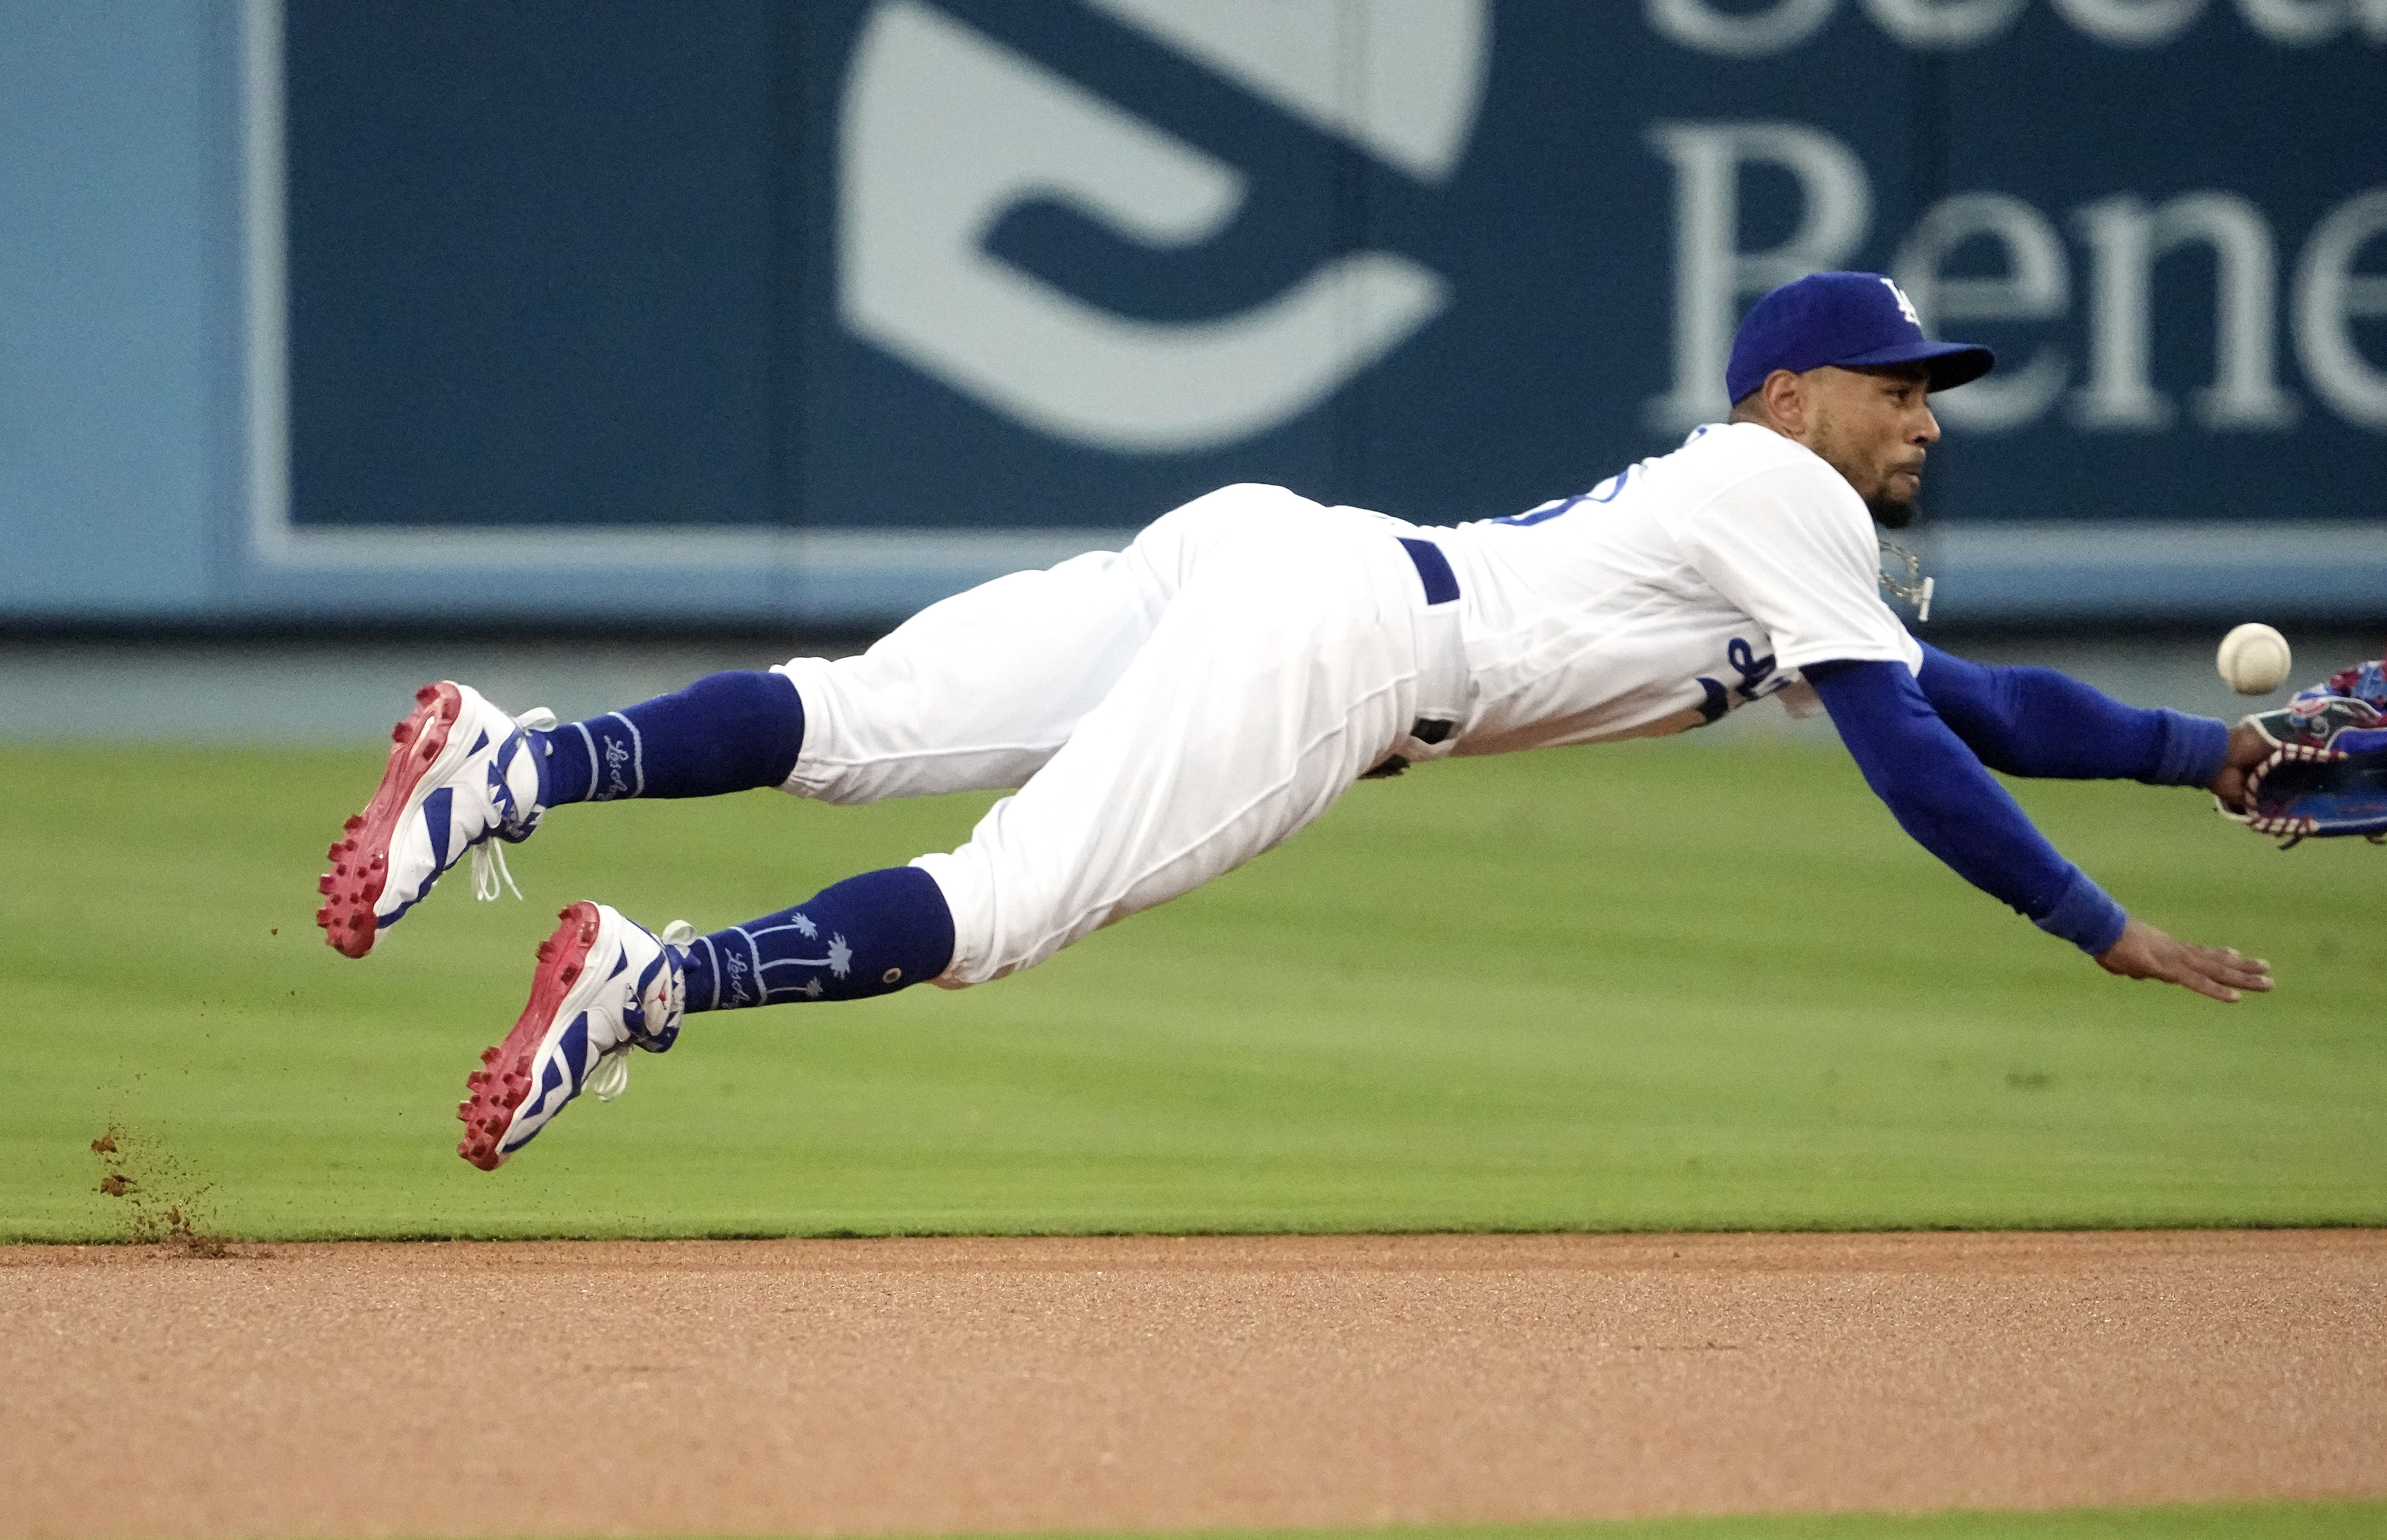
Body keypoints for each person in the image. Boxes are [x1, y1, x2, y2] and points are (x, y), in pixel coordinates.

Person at [317, 271, 2272, 1171]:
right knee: (1005, 902)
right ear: (1784, 395)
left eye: (1933, 383)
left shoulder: (1770, 527)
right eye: (1891, 379)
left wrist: (2219, 754)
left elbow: (1975, 702)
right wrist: (2094, 923)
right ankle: (648, 984)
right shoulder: (1789, 497)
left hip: (1281, 551)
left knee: (858, 714)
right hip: (1344, 647)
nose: (1923, 409)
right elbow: (1913, 753)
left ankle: (519, 762)